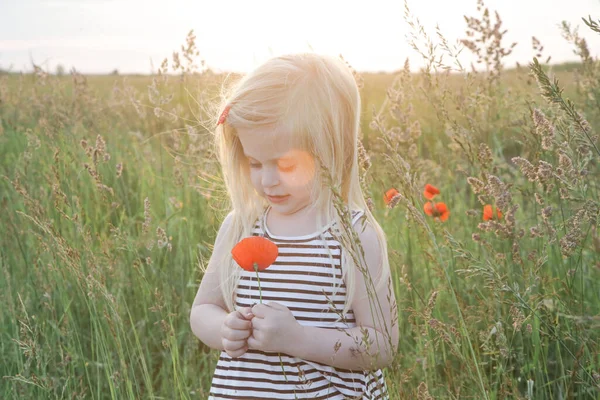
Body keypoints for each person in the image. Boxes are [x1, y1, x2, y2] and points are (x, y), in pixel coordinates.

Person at [190, 52, 398, 399]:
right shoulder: (241, 226)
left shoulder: (353, 235)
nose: (267, 180)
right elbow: (202, 310)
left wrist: (297, 338)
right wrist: (224, 329)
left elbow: (381, 345)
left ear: (330, 149)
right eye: (254, 162)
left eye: (285, 165)